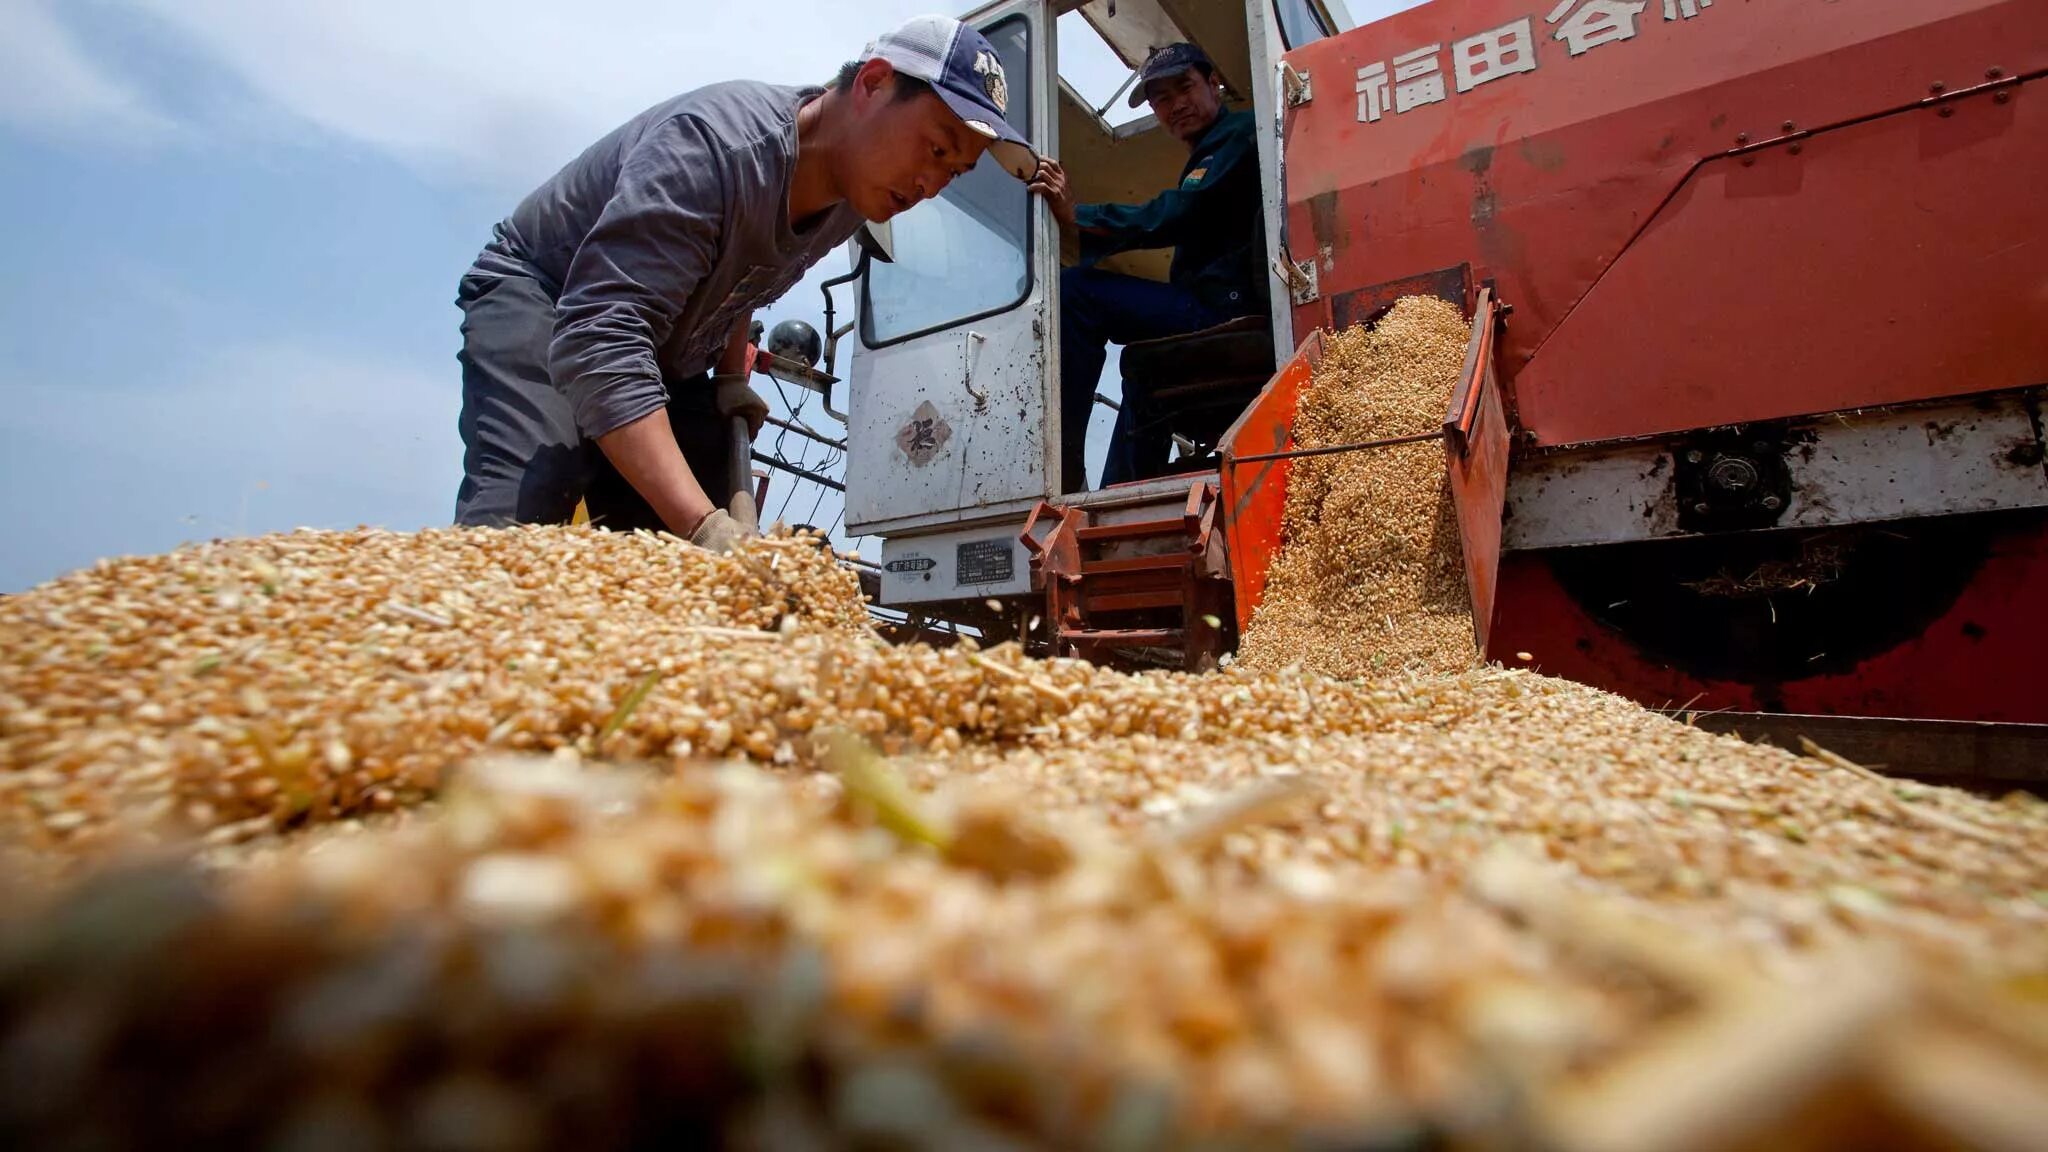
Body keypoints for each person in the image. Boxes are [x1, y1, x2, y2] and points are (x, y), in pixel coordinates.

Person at [454, 15, 1035, 550]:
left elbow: (750, 277)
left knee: (687, 510)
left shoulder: (854, 197)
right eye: (935, 149)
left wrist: (731, 375)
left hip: (656, 342)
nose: (931, 184)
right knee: (527, 512)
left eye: (953, 172)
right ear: (874, 83)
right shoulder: (712, 150)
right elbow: (598, 336)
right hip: (548, 297)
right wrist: (703, 527)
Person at [1028, 43, 1267, 490]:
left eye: (1184, 87)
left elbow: (1179, 212)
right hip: (1211, 306)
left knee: (1077, 291)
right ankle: (1119, 496)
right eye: (1161, 99)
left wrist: (1078, 215)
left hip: (1223, 311)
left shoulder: (1239, 135)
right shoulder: (1212, 149)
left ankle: (1058, 463)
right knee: (1142, 374)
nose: (1175, 105)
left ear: (1213, 81)